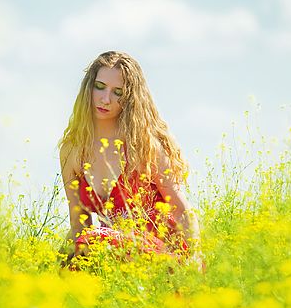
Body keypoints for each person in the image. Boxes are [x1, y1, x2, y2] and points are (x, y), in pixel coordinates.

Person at [58, 51, 205, 272]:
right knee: (71, 259)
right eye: (100, 87)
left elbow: (181, 209)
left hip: (162, 249)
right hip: (113, 250)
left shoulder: (143, 145)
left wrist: (195, 257)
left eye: (118, 92)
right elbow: (79, 222)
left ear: (130, 98)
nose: (105, 99)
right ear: (89, 87)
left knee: (93, 241)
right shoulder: (72, 150)